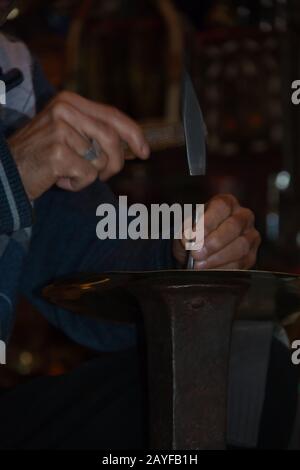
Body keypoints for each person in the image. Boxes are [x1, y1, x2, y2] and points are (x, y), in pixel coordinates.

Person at [0, 1, 260, 449]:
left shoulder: (13, 72)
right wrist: (12, 173)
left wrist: (181, 260)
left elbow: (88, 273)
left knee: (249, 373)